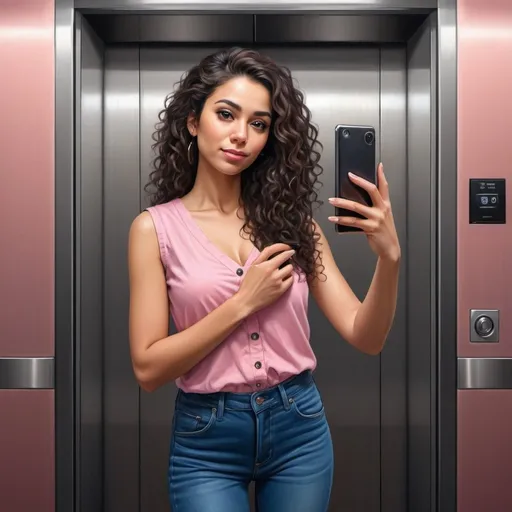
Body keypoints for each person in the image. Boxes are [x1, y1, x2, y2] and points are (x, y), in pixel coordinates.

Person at [128, 47, 401, 512]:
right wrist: (242, 304)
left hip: (299, 427)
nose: (241, 136)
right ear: (193, 121)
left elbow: (367, 336)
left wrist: (389, 260)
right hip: (206, 439)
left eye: (258, 123)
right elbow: (148, 369)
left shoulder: (295, 225)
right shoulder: (153, 229)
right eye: (226, 114)